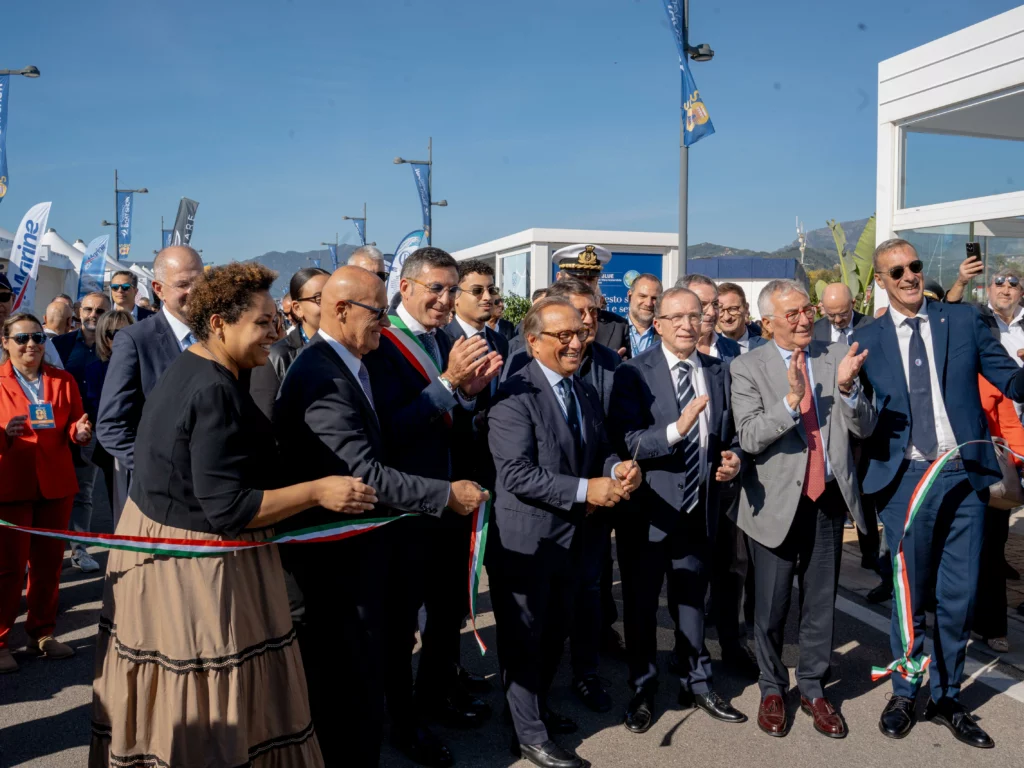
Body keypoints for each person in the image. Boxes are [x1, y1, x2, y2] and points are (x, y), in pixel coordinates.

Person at [89, 262, 375, 767]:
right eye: (263, 323)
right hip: (196, 570)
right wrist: (317, 491)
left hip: (168, 547)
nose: (276, 333)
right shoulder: (214, 389)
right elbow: (230, 509)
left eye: (276, 321)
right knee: (208, 698)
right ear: (219, 323)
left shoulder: (203, 366)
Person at [274, 265, 488, 766]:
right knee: (349, 683)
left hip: (368, 543)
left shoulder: (350, 361)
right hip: (337, 557)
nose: (385, 323)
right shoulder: (321, 372)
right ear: (342, 310)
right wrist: (443, 494)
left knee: (362, 676)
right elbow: (364, 470)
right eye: (378, 312)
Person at [857, 239, 1024, 749]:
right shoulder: (867, 338)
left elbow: (1009, 377)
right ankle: (907, 690)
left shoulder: (965, 320)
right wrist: (844, 390)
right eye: (896, 271)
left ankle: (949, 696)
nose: (909, 276)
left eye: (914, 266)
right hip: (904, 480)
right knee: (910, 597)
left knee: (958, 597)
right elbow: (857, 418)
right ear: (881, 282)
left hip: (965, 475)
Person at [488, 297, 640, 768]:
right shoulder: (515, 395)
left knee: (556, 632)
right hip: (526, 543)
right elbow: (515, 473)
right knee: (524, 638)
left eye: (581, 332)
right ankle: (530, 735)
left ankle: (532, 712)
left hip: (574, 539)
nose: (577, 342)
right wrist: (586, 489)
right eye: (565, 336)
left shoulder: (583, 390)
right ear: (533, 342)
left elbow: (600, 449)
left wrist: (617, 469)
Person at [364, 246, 502, 767]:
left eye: (451, 290)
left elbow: (454, 418)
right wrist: (448, 386)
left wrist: (469, 393)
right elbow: (388, 431)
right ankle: (402, 722)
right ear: (406, 288)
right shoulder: (380, 344)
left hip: (450, 499)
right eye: (435, 290)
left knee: (447, 609)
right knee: (402, 626)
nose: (445, 301)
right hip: (405, 505)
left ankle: (438, 692)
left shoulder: (447, 336)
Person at [730, 279, 875, 739]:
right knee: (771, 607)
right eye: (791, 314)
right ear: (767, 321)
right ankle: (772, 687)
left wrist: (849, 389)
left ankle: (813, 687)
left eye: (806, 310)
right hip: (774, 504)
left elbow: (865, 426)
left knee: (820, 605)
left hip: (827, 500)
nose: (804, 319)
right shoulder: (746, 367)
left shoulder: (833, 358)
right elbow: (750, 436)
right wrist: (792, 401)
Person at [610, 287, 747, 734]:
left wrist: (733, 460)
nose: (688, 324)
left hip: (697, 508)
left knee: (691, 602)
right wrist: (675, 430)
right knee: (642, 606)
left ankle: (698, 681)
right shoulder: (633, 373)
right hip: (649, 510)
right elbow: (627, 441)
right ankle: (644, 688)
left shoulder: (718, 370)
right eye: (677, 317)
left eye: (695, 315)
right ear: (661, 324)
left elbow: (728, 435)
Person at [0, 313, 93, 673]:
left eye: (37, 337)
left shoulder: (62, 379)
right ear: (6, 343)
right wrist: (5, 432)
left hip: (55, 484)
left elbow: (75, 424)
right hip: (12, 485)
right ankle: (2, 639)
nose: (31, 345)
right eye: (21, 338)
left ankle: (41, 632)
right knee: (8, 569)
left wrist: (79, 434)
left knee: (49, 566)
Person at [97, 246, 203, 525]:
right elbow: (111, 425)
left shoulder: (218, 334)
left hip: (214, 491)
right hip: (161, 500)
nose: (193, 291)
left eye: (199, 283)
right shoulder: (135, 340)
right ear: (159, 288)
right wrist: (156, 468)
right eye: (182, 284)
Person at [52, 292, 112, 573]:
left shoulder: (115, 347)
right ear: (77, 311)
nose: (93, 315)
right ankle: (39, 550)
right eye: (87, 309)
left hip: (94, 430)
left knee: (83, 492)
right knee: (49, 492)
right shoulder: (59, 345)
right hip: (57, 430)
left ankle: (80, 549)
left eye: (100, 311)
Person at [972, 375, 1024, 654]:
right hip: (948, 469)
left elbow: (1010, 424)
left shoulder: (990, 370)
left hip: (992, 473)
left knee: (992, 552)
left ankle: (994, 627)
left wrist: (1017, 463)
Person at [249, 267, 329, 419]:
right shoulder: (276, 357)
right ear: (297, 309)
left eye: (334, 297)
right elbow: (266, 422)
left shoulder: (354, 349)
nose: (330, 305)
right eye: (319, 299)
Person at [82, 310, 134, 516]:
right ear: (104, 338)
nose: (120, 338)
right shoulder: (95, 370)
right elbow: (96, 409)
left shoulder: (145, 362)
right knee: (121, 507)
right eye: (113, 334)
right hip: (114, 448)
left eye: (126, 332)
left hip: (145, 443)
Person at [552, 244, 630, 358]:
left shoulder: (617, 326)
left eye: (590, 279)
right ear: (559, 278)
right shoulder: (538, 322)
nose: (585, 285)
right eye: (577, 278)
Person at [0, 274, 66, 371]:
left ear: (13, 299)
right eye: (22, 339)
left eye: (4, 297)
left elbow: (57, 375)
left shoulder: (37, 337)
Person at [676, 275, 742, 360]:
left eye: (715, 304)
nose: (712, 312)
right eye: (702, 304)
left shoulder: (731, 348)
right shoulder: (663, 351)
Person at [716, 283, 766, 353]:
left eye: (733, 309)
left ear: (746, 308)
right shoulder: (707, 349)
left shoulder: (767, 348)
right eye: (720, 310)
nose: (726, 317)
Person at [626, 274, 663, 357]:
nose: (648, 303)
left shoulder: (666, 334)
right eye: (643, 296)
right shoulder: (612, 330)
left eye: (654, 298)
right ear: (629, 296)